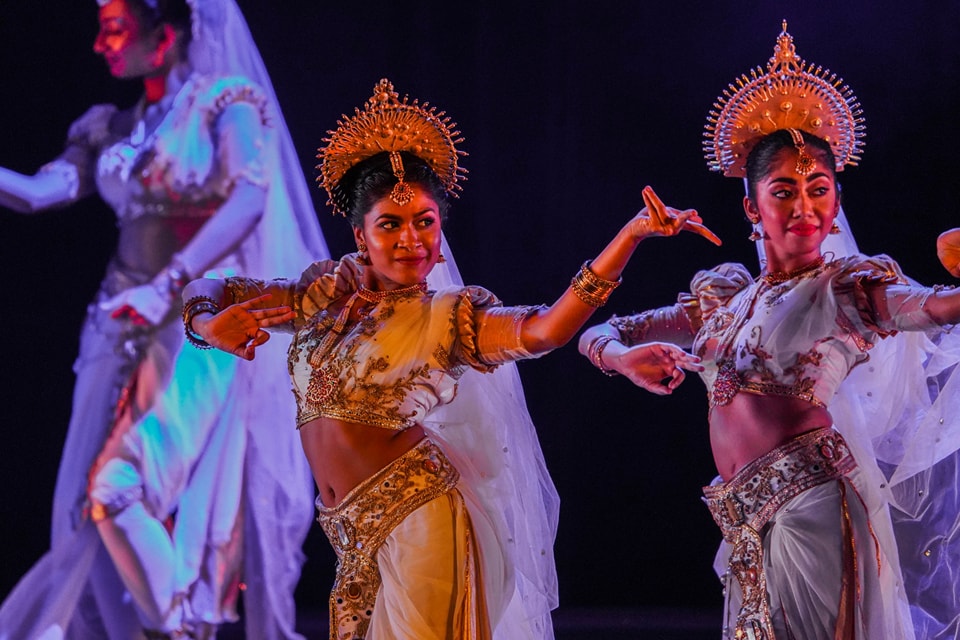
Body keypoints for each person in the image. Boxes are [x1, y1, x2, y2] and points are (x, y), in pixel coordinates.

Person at [181, 77, 720, 639]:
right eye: (390, 224)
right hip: (351, 535)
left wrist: (630, 236)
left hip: (421, 520)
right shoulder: (320, 295)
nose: (411, 239)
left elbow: (543, 332)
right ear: (360, 236)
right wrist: (207, 325)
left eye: (425, 222)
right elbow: (210, 285)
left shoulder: (448, 318)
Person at [578, 23, 960, 640]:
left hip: (814, 501)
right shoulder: (725, 297)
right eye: (784, 191)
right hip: (741, 518)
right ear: (753, 208)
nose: (803, 206)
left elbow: (931, 308)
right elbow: (601, 329)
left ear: (835, 203)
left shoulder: (845, 291)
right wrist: (621, 358)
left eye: (818, 189)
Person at [0, 0, 327, 637]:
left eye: (115, 28)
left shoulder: (226, 102)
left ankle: (181, 623)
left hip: (201, 323)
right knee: (75, 514)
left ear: (166, 33)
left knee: (119, 491)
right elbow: (43, 192)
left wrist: (169, 284)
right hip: (115, 323)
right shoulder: (114, 125)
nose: (100, 45)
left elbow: (249, 199)